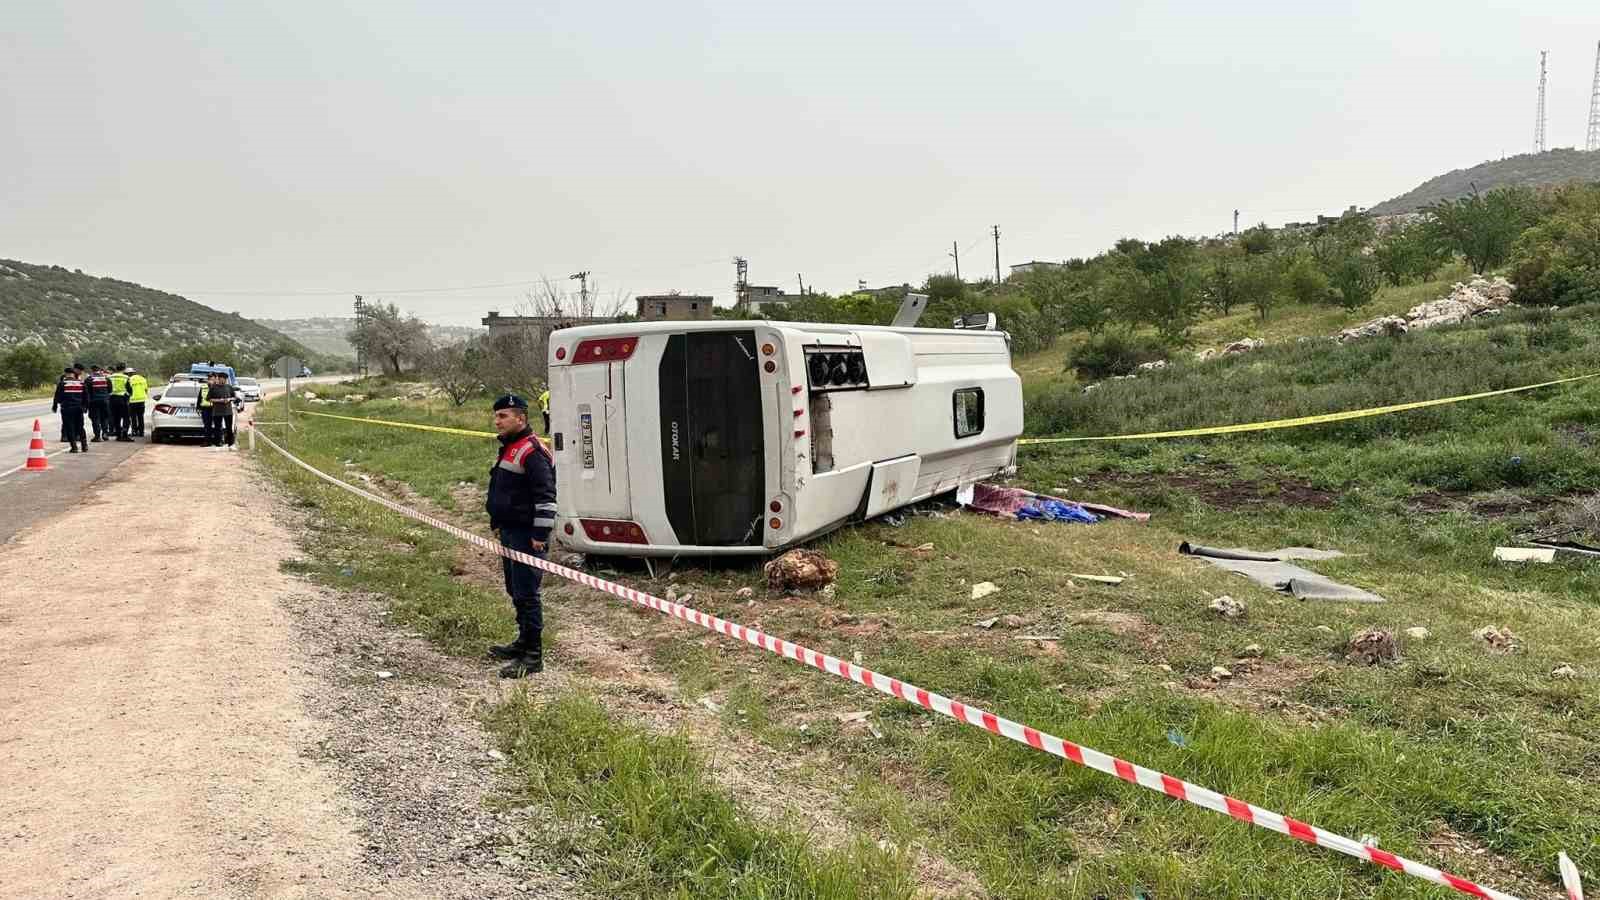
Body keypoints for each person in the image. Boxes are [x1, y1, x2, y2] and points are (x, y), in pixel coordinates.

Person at [484, 393, 557, 678]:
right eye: (497, 415)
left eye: (503, 416)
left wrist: (540, 533)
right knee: (515, 589)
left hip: (528, 535)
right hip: (510, 531)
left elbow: (546, 497)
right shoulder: (510, 446)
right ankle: (522, 642)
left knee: (527, 594)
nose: (497, 421)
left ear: (521, 418)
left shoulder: (532, 450)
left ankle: (533, 657)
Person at [51, 366, 89, 453]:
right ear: (73, 374)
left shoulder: (62, 384)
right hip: (79, 408)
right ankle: (84, 446)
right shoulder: (81, 383)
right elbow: (86, 397)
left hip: (67, 408)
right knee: (80, 427)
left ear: (65, 374)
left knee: (69, 427)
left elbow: (57, 397)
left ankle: (74, 447)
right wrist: (85, 407)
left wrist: (55, 406)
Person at [204, 373, 237, 450]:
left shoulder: (229, 387)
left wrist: (229, 399)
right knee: (217, 428)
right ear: (219, 379)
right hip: (217, 411)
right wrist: (219, 400)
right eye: (222, 379)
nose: (224, 380)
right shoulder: (213, 388)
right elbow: (208, 399)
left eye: (225, 379)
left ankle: (231, 445)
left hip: (228, 411)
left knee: (229, 428)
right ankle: (217, 445)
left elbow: (234, 397)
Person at [85, 365, 112, 442]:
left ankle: (97, 436)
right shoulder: (106, 379)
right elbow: (110, 390)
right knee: (105, 417)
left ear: (92, 371)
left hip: (94, 402)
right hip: (105, 401)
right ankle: (105, 433)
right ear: (99, 370)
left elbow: (86, 392)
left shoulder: (89, 379)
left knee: (95, 418)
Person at [107, 362, 132, 442]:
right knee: (126, 417)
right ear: (124, 369)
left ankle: (118, 435)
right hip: (123, 398)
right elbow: (129, 389)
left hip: (112, 399)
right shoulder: (126, 377)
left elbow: (107, 388)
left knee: (116, 418)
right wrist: (128, 395)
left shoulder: (110, 377)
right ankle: (124, 434)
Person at [126, 366, 149, 437]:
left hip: (132, 401)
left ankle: (134, 431)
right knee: (140, 417)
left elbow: (127, 391)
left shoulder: (128, 380)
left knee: (133, 417)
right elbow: (146, 390)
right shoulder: (143, 379)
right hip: (141, 400)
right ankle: (141, 432)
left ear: (128, 374)